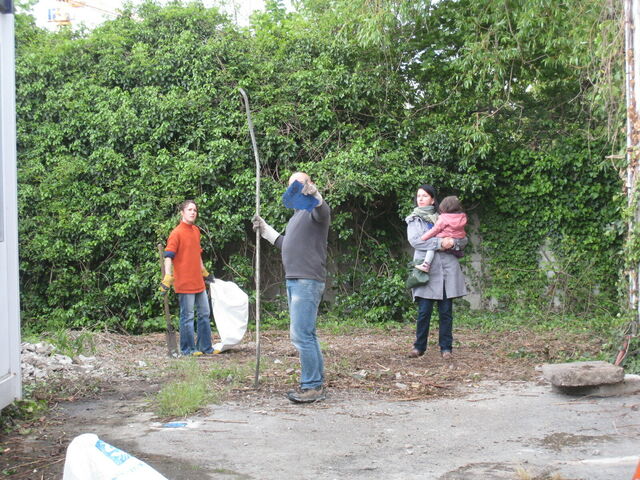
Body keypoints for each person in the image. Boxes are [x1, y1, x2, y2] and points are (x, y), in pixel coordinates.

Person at [252, 172, 330, 404]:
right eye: (291, 186)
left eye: (300, 184)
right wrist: (265, 230)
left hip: (307, 279)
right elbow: (286, 244)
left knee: (301, 335)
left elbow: (323, 211)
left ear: (310, 184)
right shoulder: (296, 216)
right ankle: (315, 382)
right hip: (296, 279)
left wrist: (316, 196)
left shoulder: (314, 212)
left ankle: (312, 386)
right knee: (307, 334)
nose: (295, 188)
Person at [406, 185, 468, 360]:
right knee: (424, 312)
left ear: (433, 199)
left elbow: (463, 239)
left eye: (425, 196)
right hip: (426, 270)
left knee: (446, 312)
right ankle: (419, 347)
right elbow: (416, 242)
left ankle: (446, 348)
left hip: (447, 270)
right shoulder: (414, 219)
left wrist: (454, 243)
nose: (420, 199)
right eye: (418, 196)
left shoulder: (448, 216)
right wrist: (441, 243)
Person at [160, 200, 214, 356]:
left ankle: (205, 347)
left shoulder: (196, 231)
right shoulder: (176, 233)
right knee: (188, 317)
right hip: (184, 282)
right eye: (189, 209)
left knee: (204, 313)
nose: (193, 212)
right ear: (182, 213)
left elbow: (197, 254)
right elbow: (168, 256)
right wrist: (168, 276)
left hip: (198, 281)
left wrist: (204, 272)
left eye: (195, 210)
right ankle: (188, 349)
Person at [415, 196, 467, 273]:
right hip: (458, 237)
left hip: (443, 236)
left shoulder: (443, 218)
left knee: (431, 246)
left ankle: (426, 264)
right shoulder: (462, 217)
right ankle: (457, 252)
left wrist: (423, 238)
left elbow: (435, 230)